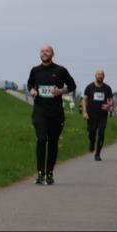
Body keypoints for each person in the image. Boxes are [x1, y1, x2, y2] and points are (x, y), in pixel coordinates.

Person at [26, 45, 76, 185]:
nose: (44, 53)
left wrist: (61, 91)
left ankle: (49, 172)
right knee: (42, 140)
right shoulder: (35, 70)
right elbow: (30, 83)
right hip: (40, 112)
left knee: (53, 143)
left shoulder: (60, 70)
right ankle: (40, 173)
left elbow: (72, 86)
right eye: (42, 51)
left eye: (47, 51)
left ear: (53, 54)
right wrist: (32, 90)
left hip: (56, 114)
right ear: (39, 54)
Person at [81, 70, 114, 161]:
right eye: (99, 74)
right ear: (95, 75)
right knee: (91, 133)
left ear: (104, 77)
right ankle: (92, 143)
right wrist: (84, 112)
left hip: (102, 115)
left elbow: (111, 100)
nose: (100, 76)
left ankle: (98, 154)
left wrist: (108, 105)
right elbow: (84, 100)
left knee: (101, 133)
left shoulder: (107, 88)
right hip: (91, 115)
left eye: (102, 75)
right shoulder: (89, 87)